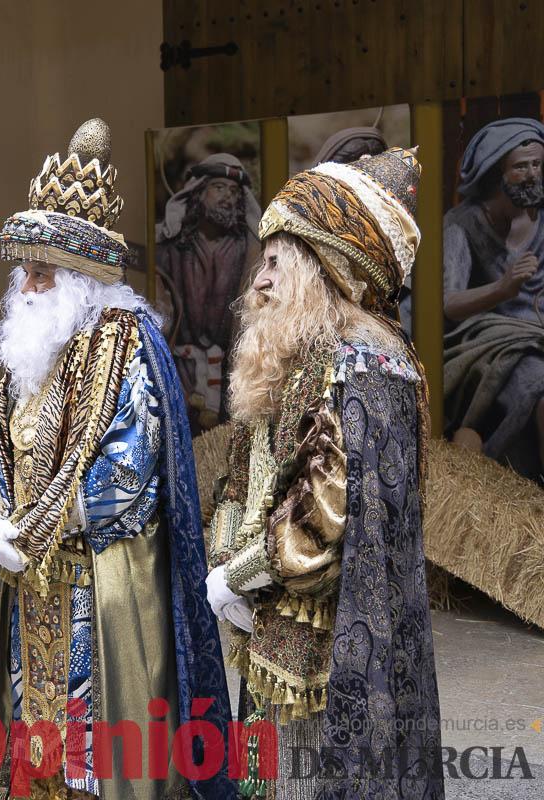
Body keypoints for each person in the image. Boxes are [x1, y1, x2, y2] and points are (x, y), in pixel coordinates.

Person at [0, 119, 234, 800]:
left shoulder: (125, 344)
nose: (24, 287)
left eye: (38, 272)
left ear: (78, 276)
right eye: (23, 271)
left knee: (104, 760)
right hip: (35, 583)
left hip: (102, 577)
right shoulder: (33, 351)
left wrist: (34, 526)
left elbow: (127, 473)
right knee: (39, 750)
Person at [205, 148, 444, 798]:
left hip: (323, 661)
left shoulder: (361, 368)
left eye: (278, 262)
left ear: (322, 267)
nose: (259, 281)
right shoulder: (287, 355)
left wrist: (236, 574)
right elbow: (241, 475)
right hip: (263, 634)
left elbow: (320, 527)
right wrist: (227, 557)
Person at [441, 118, 544, 475]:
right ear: (495, 170)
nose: (532, 174)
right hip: (489, 339)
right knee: (538, 382)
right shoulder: (461, 224)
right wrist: (502, 289)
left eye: (537, 164)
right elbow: (448, 305)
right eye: (520, 167)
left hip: (539, 333)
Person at [156, 153, 263, 434]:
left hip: (231, 374)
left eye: (233, 192)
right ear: (198, 192)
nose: (227, 197)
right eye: (219, 188)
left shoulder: (249, 250)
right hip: (182, 372)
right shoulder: (170, 248)